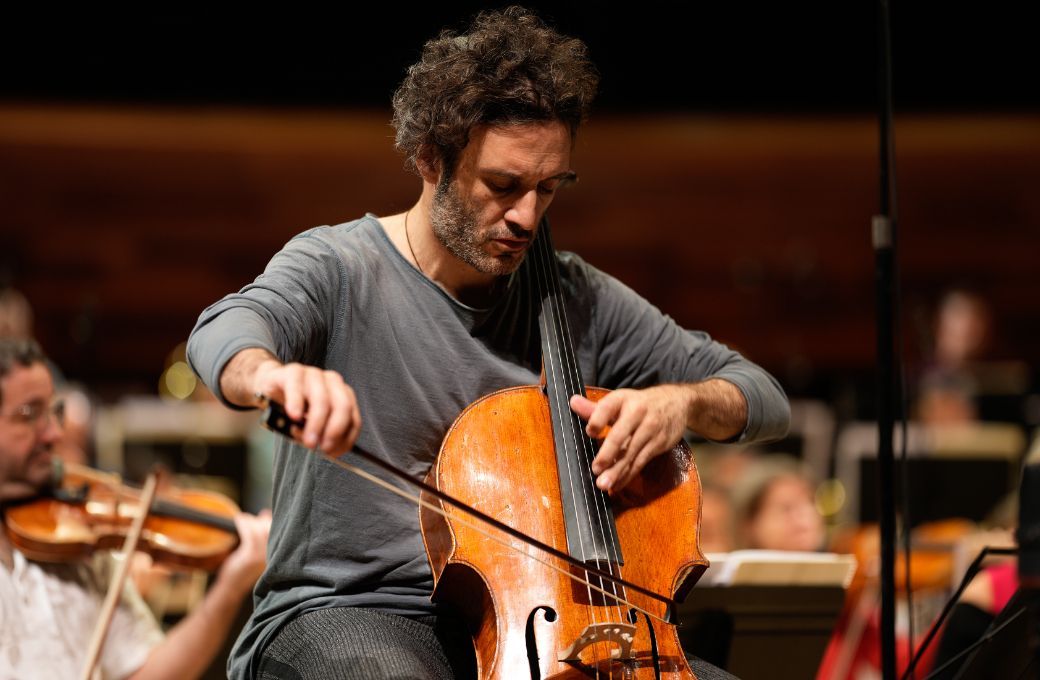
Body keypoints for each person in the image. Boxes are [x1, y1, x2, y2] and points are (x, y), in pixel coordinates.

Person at [187, 7, 790, 679]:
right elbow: (225, 330)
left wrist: (682, 404)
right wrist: (270, 378)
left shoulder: (573, 295)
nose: (527, 217)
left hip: (539, 624)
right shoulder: (339, 267)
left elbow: (762, 396)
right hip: (349, 613)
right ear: (428, 159)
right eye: (503, 186)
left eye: (548, 189)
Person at [0, 337, 271, 679]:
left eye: (54, 412)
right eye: (29, 415)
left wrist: (229, 588)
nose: (54, 433)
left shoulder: (79, 541)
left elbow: (145, 673)